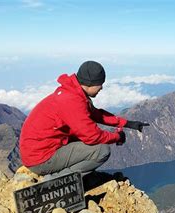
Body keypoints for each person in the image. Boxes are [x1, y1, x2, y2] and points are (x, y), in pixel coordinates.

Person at [19, 61, 149, 180]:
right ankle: (58, 181)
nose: (101, 88)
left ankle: (63, 175)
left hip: (39, 150)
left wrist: (127, 123)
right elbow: (93, 137)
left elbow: (96, 114)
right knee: (102, 151)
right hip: (41, 159)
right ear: (90, 83)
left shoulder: (73, 93)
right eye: (100, 84)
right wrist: (117, 137)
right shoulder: (71, 101)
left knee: (82, 140)